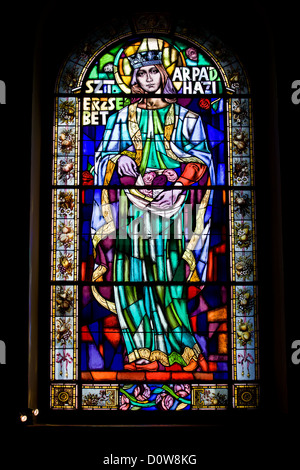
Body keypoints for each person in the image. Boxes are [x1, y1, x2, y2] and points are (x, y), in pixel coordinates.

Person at [91, 38, 215, 372]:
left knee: (169, 276)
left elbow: (204, 161)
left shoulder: (187, 119)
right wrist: (119, 161)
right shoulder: (120, 118)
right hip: (133, 206)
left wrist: (177, 179)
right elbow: (102, 161)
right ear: (134, 79)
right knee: (130, 276)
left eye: (153, 72)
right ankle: (141, 349)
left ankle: (180, 348)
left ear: (163, 74)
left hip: (173, 206)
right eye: (141, 73)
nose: (147, 79)